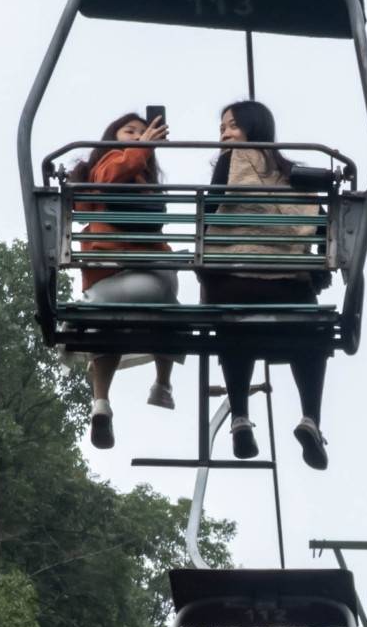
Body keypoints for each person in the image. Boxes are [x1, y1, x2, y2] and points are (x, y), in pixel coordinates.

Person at [203, 100, 332, 470]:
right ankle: (311, 418)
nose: (224, 135)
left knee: (233, 328)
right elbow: (320, 223)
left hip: (231, 286)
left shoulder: (231, 164)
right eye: (222, 129)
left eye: (231, 126)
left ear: (253, 129)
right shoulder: (293, 174)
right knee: (311, 331)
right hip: (289, 290)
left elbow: (210, 214)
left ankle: (240, 417)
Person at [69, 111, 181, 449]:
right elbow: (109, 176)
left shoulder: (141, 180)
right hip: (132, 277)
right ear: (111, 138)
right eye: (128, 131)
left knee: (109, 326)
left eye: (141, 132)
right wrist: (142, 148)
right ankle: (160, 386)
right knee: (169, 312)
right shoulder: (110, 164)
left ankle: (104, 400)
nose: (136, 136)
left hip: (112, 281)